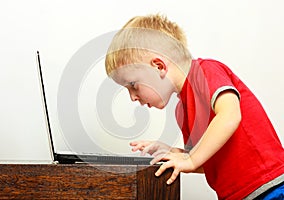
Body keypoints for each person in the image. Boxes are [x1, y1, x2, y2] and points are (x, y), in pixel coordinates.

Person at [104, 14, 284, 199]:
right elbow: (205, 162)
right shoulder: (181, 111)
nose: (133, 97)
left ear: (159, 67)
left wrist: (190, 159)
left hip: (269, 186)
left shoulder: (205, 72)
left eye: (133, 85)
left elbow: (230, 115)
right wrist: (175, 153)